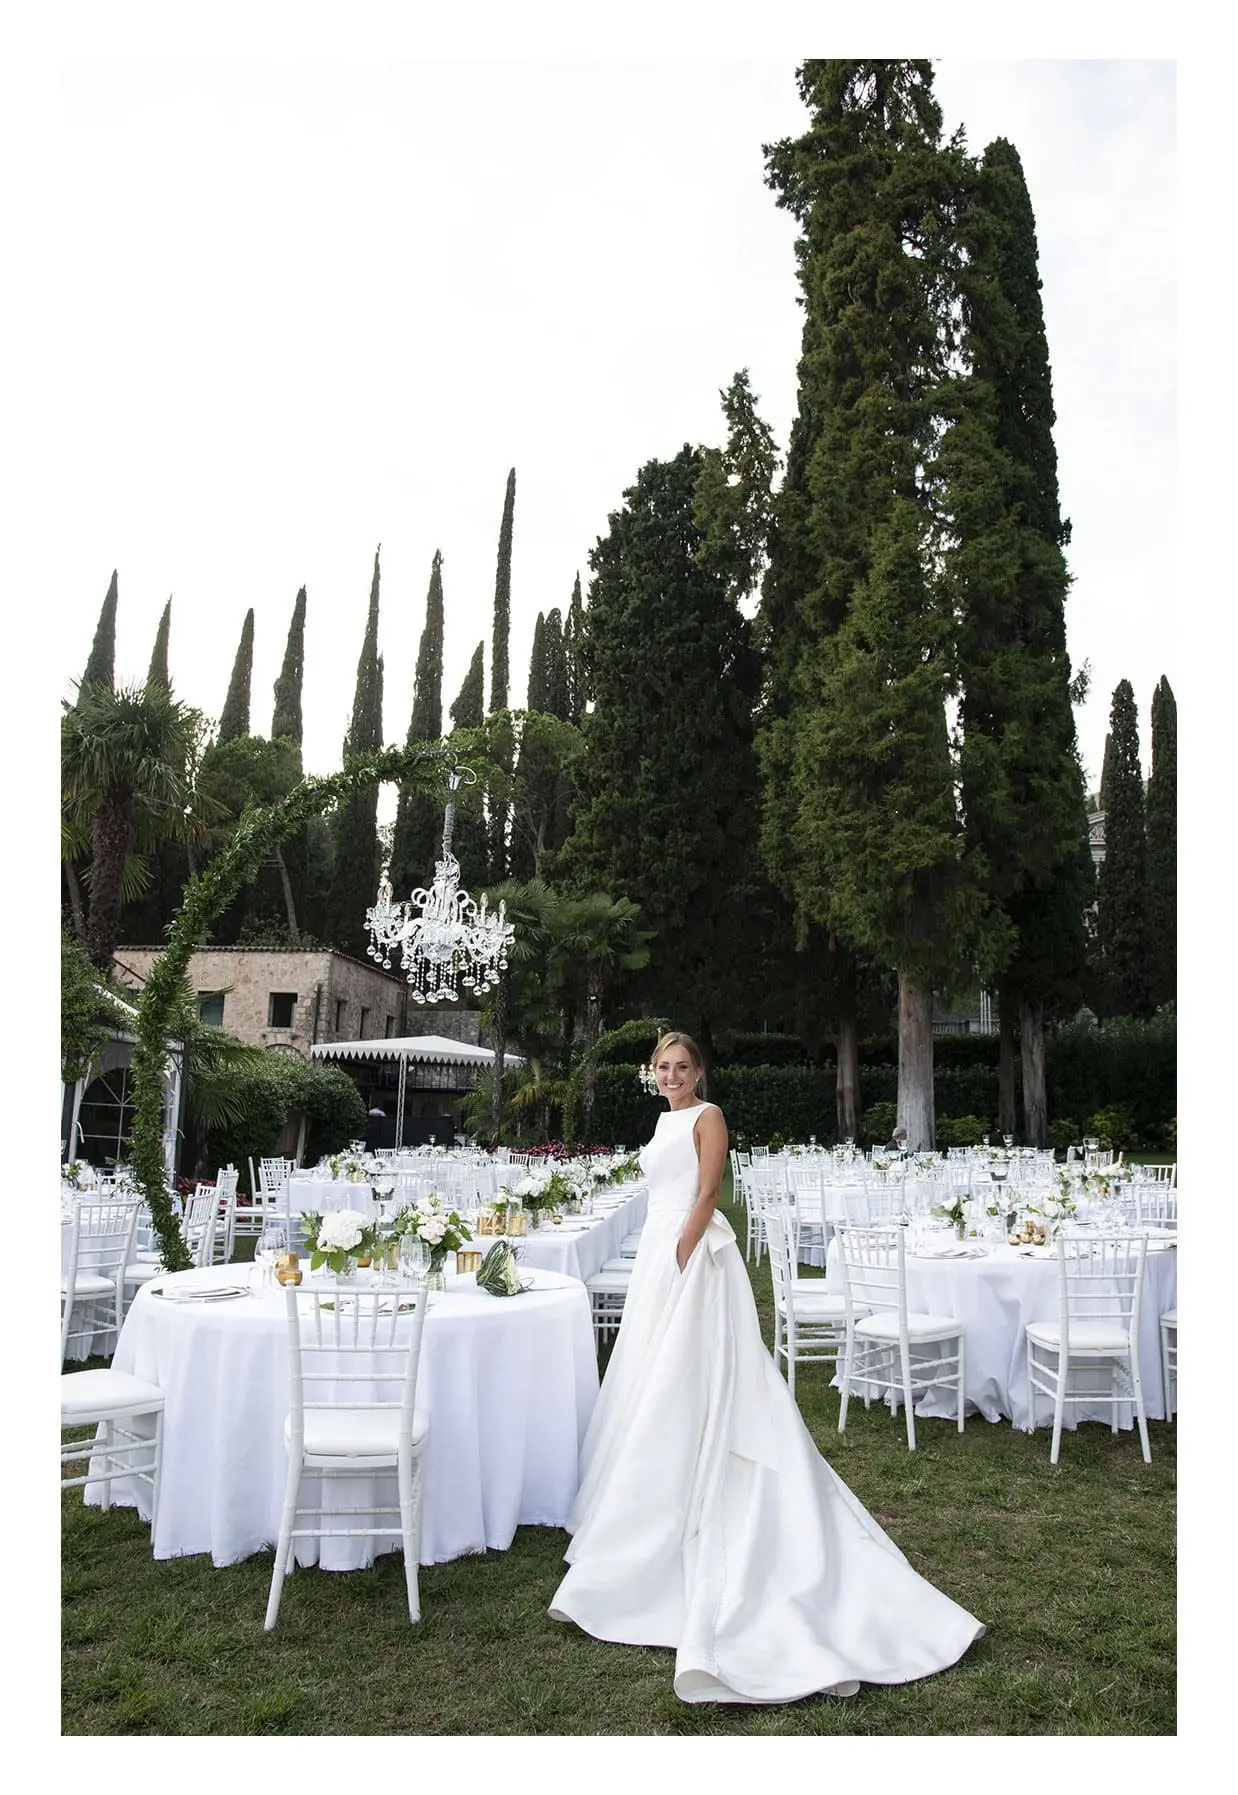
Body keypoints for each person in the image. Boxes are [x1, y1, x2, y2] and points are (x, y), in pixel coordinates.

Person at [549, 1030, 984, 1704]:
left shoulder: (708, 1115)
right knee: (649, 1375)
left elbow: (709, 1192)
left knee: (693, 1374)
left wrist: (679, 1256)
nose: (673, 1076)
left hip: (689, 1258)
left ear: (700, 1071)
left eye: (683, 1066)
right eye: (664, 1067)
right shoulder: (662, 1118)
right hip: (658, 1260)